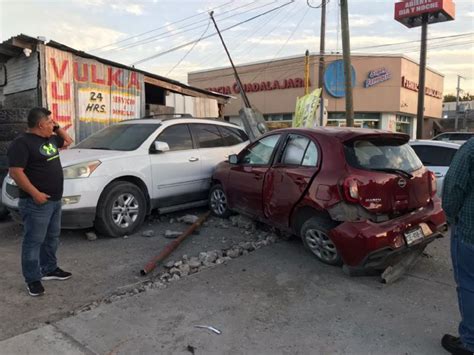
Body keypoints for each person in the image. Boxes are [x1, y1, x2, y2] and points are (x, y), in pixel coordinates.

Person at [7, 107, 74, 297]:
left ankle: (49, 269)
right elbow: (16, 172)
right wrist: (35, 193)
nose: (52, 125)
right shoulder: (21, 144)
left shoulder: (50, 138)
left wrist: (58, 127)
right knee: (33, 241)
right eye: (50, 122)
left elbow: (68, 141)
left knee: (52, 237)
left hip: (54, 200)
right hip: (35, 203)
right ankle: (32, 279)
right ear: (40, 124)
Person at [441, 137, 474, 355]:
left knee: (469, 285)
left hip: (470, 233)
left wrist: (451, 217)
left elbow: (453, 187)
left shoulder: (471, 148)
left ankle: (470, 342)